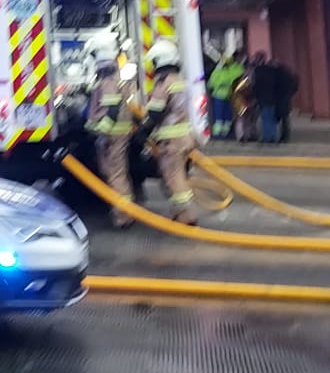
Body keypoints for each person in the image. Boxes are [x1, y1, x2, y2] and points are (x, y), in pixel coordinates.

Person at [83, 32, 141, 228]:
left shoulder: (108, 81)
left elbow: (112, 109)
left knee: (116, 175)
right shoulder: (117, 77)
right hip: (118, 134)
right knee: (115, 173)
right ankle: (124, 212)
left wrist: (102, 132)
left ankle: (124, 216)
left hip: (112, 135)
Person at [142, 40, 199, 225]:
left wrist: (143, 129)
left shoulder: (163, 82)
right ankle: (180, 213)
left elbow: (155, 112)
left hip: (171, 141)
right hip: (184, 138)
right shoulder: (178, 80)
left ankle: (187, 216)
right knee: (177, 176)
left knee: (174, 179)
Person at [208, 50, 244, 140]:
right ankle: (217, 135)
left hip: (227, 97)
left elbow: (237, 74)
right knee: (219, 117)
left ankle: (225, 134)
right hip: (219, 97)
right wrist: (221, 84)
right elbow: (211, 83)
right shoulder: (217, 72)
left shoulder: (228, 71)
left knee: (227, 117)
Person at [233, 53, 263, 142]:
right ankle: (244, 135)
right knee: (245, 118)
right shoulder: (244, 78)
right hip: (244, 98)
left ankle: (247, 135)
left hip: (244, 98)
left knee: (248, 118)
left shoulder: (240, 76)